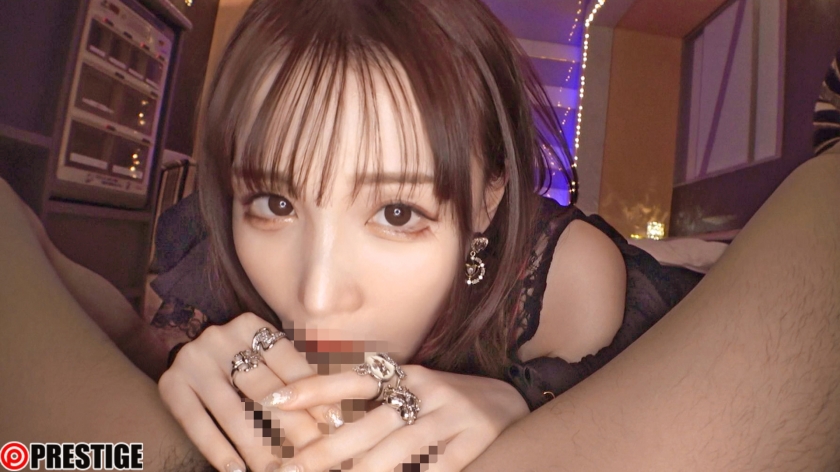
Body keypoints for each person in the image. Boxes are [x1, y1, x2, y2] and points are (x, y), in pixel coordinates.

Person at [1, 2, 839, 472]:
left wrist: (522, 404)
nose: (316, 292)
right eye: (276, 202)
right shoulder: (213, 246)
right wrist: (173, 378)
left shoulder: (569, 287)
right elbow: (70, 425)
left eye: (397, 213)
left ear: (486, 199)